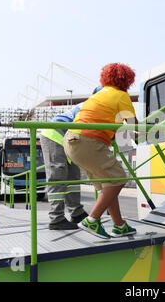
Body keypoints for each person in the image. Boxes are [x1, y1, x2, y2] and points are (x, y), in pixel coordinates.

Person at [63, 63, 138, 239]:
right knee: (119, 179)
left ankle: (119, 225)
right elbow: (135, 126)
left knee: (108, 186)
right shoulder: (121, 95)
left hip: (72, 141)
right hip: (89, 142)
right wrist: (153, 131)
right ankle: (92, 220)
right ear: (127, 80)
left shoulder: (100, 94)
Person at [40, 86, 103, 230]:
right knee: (58, 175)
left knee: (73, 176)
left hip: (69, 138)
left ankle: (76, 213)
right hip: (54, 134)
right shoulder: (90, 107)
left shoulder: (100, 110)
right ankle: (56, 219)